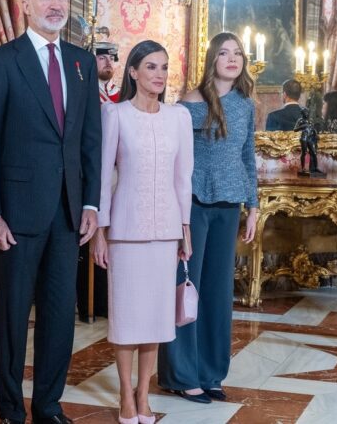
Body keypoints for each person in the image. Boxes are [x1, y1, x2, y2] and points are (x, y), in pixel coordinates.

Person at [0, 0, 101, 424]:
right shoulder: (2, 60)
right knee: (12, 318)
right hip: (17, 212)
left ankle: (48, 405)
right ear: (25, 5)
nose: (56, 5)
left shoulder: (82, 62)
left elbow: (91, 140)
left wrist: (91, 203)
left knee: (59, 315)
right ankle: (11, 409)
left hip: (69, 212)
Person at [92, 40, 193, 424]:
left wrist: (185, 229)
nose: (159, 75)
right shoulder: (115, 115)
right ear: (133, 72)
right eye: (151, 67)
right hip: (125, 228)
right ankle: (125, 395)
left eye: (164, 68)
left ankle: (144, 394)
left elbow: (183, 178)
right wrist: (101, 229)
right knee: (126, 318)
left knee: (154, 319)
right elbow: (102, 178)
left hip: (166, 230)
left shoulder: (178, 117)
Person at [157, 31, 258, 404]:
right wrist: (177, 214)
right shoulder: (189, 102)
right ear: (212, 59)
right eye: (225, 53)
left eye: (238, 53)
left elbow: (248, 159)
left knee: (218, 294)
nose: (233, 59)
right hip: (194, 205)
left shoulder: (247, 105)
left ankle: (212, 372)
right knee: (187, 288)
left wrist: (254, 207)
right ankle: (181, 375)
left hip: (230, 206)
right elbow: (175, 159)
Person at [76, 41, 119, 323]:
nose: (106, 63)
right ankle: (87, 302)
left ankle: (108, 301)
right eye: (100, 57)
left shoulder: (122, 98)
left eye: (110, 59)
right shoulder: (82, 94)